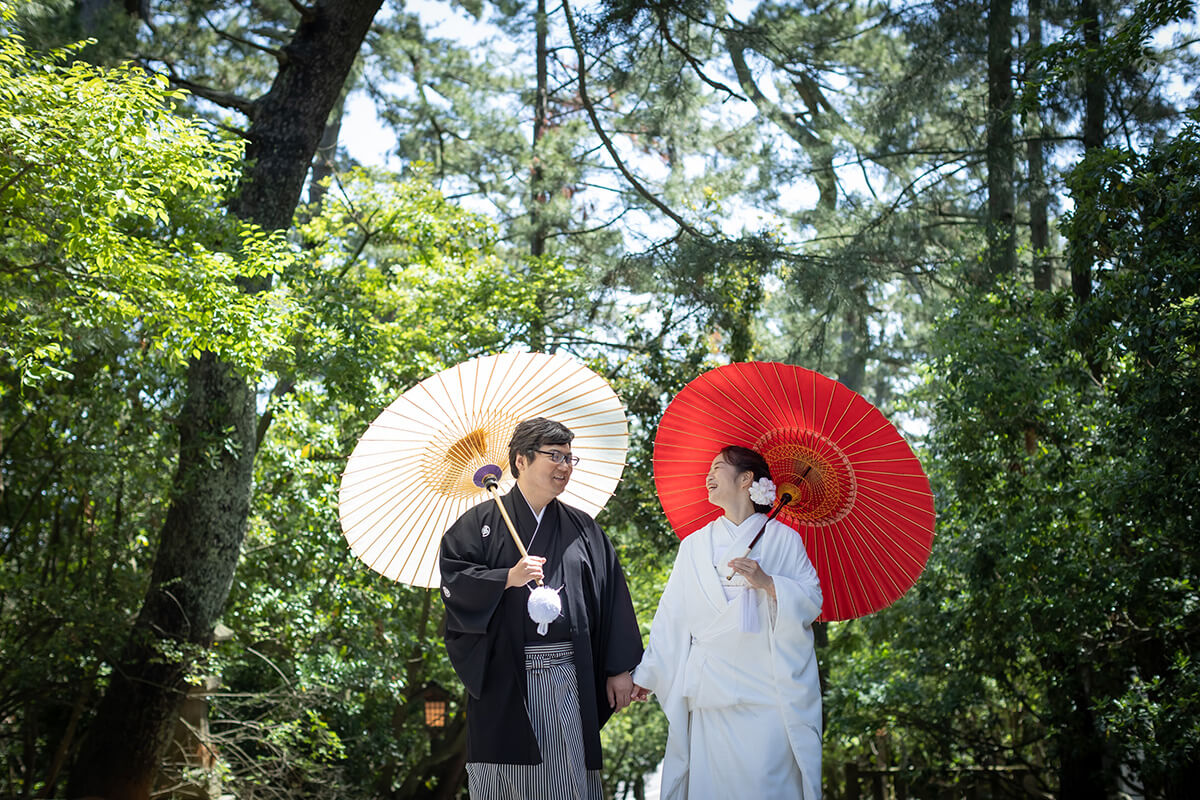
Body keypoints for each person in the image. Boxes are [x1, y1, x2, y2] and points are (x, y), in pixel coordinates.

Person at [439, 417, 643, 800]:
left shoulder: (584, 529)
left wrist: (619, 669)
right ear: (520, 460)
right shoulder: (477, 525)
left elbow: (613, 595)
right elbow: (454, 584)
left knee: (566, 781)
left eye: (570, 458)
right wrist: (506, 578)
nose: (565, 466)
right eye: (555, 456)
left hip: (567, 675)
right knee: (505, 779)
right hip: (504, 676)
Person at [632, 445, 824, 799]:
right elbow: (672, 616)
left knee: (768, 785)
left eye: (718, 467)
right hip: (712, 693)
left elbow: (811, 600)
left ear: (746, 479)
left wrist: (769, 583)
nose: (709, 476)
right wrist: (648, 674)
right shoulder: (694, 546)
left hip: (768, 693)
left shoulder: (784, 540)